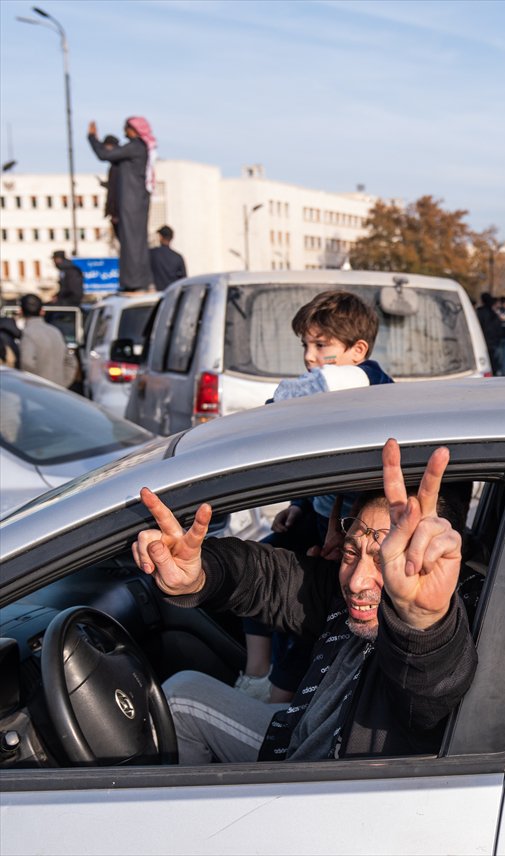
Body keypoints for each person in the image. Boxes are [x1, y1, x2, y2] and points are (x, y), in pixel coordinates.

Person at [137, 441, 477, 763]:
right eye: (351, 552)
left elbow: (432, 682)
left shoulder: (436, 637)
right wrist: (198, 573)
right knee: (182, 693)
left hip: (329, 794)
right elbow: (263, 577)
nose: (357, 581)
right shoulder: (339, 594)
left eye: (385, 560)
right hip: (294, 737)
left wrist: (421, 619)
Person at [241, 290, 396, 702]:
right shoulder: (332, 386)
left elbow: (279, 405)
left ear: (357, 350)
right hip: (319, 518)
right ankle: (257, 671)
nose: (310, 357)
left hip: (352, 533)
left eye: (321, 345)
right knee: (262, 556)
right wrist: (298, 505)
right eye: (305, 346)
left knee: (308, 610)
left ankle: (276, 697)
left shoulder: (367, 380)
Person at [88, 117, 156, 292]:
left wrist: (92, 138)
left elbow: (105, 155)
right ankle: (134, 280)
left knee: (133, 242)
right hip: (132, 201)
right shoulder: (135, 148)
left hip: (132, 201)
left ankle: (134, 281)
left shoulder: (135, 148)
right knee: (131, 242)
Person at [16, 294, 72, 387]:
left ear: (20, 311)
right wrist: (63, 382)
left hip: (37, 391)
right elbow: (71, 361)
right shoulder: (55, 331)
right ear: (42, 311)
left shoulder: (28, 333)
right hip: (59, 390)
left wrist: (33, 384)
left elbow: (26, 362)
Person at [148, 225, 187, 290]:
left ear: (160, 237)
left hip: (157, 294)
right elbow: (184, 280)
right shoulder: (178, 257)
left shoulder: (152, 254)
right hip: (173, 295)